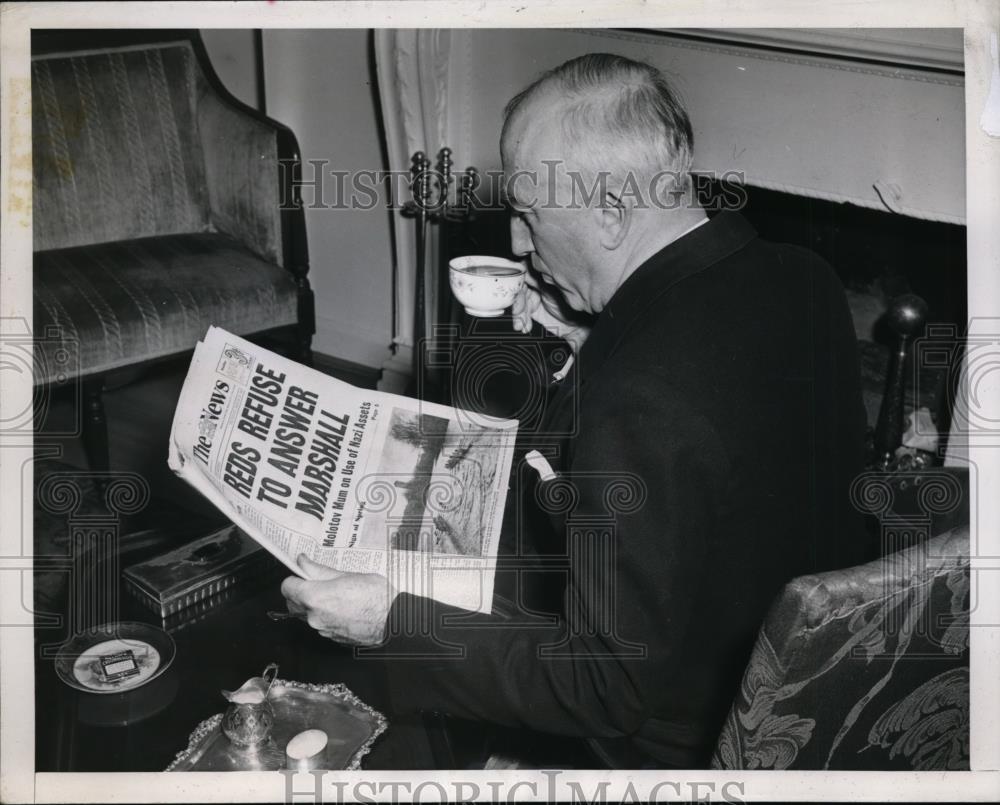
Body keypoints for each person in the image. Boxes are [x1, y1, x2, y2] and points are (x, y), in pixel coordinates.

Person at [281, 53, 869, 768]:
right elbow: (713, 437)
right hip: (804, 684)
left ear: (613, 211)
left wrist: (387, 621)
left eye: (529, 215)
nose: (516, 243)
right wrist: (597, 343)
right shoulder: (806, 277)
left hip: (680, 743)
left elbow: (601, 689)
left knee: (363, 661)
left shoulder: (638, 399)